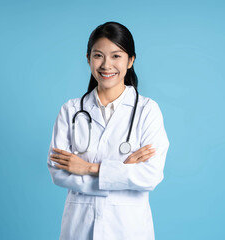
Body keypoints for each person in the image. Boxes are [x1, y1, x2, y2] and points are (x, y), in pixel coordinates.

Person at [47, 21, 170, 240]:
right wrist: (122, 172)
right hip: (79, 228)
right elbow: (58, 172)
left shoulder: (147, 110)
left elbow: (150, 176)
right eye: (98, 55)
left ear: (130, 61)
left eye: (116, 56)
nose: (106, 65)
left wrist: (88, 168)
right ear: (88, 59)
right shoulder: (71, 110)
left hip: (128, 230)